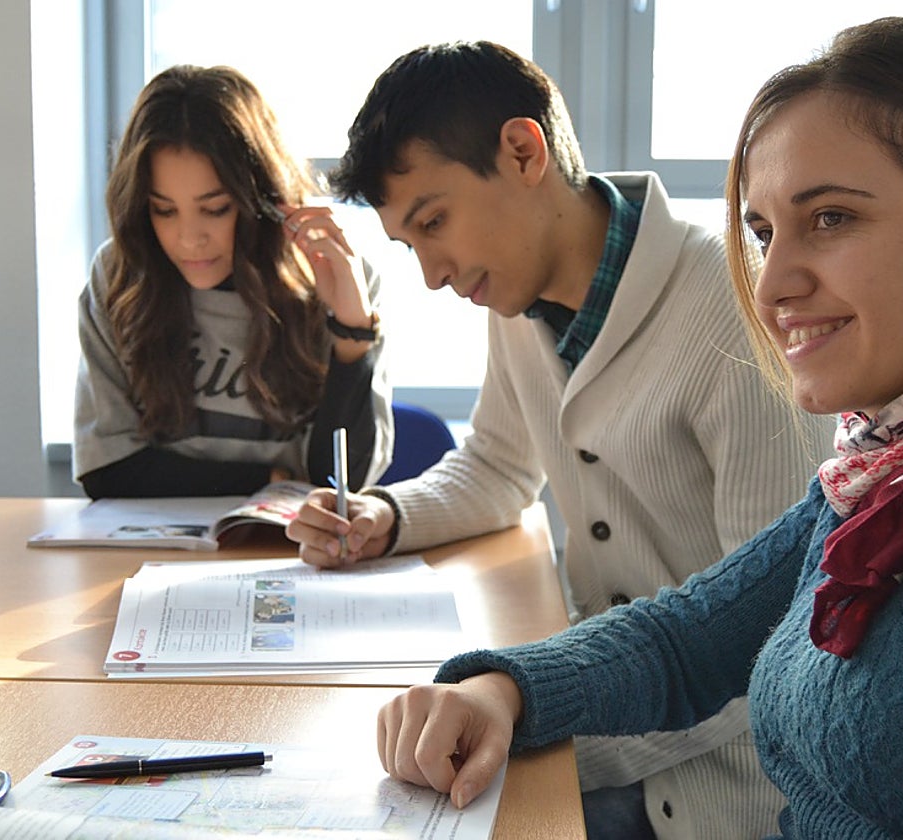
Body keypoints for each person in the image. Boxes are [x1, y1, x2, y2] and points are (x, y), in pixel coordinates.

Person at [375, 17, 903, 838]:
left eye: (831, 218)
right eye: (762, 234)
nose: (771, 287)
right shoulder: (896, 469)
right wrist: (502, 689)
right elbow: (687, 639)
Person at [285, 41, 835, 839]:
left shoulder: (732, 311)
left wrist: (535, 736)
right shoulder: (516, 301)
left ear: (523, 150)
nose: (432, 274)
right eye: (409, 245)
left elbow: (765, 643)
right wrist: (386, 516)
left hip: (720, 790)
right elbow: (498, 468)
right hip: (600, 709)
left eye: (434, 222)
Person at [73, 65, 393, 499]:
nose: (189, 238)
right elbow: (108, 471)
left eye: (216, 208)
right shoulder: (119, 276)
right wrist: (269, 481)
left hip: (292, 554)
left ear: (261, 201)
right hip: (151, 554)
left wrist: (353, 333)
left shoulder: (332, 280)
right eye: (164, 210)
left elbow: (340, 484)